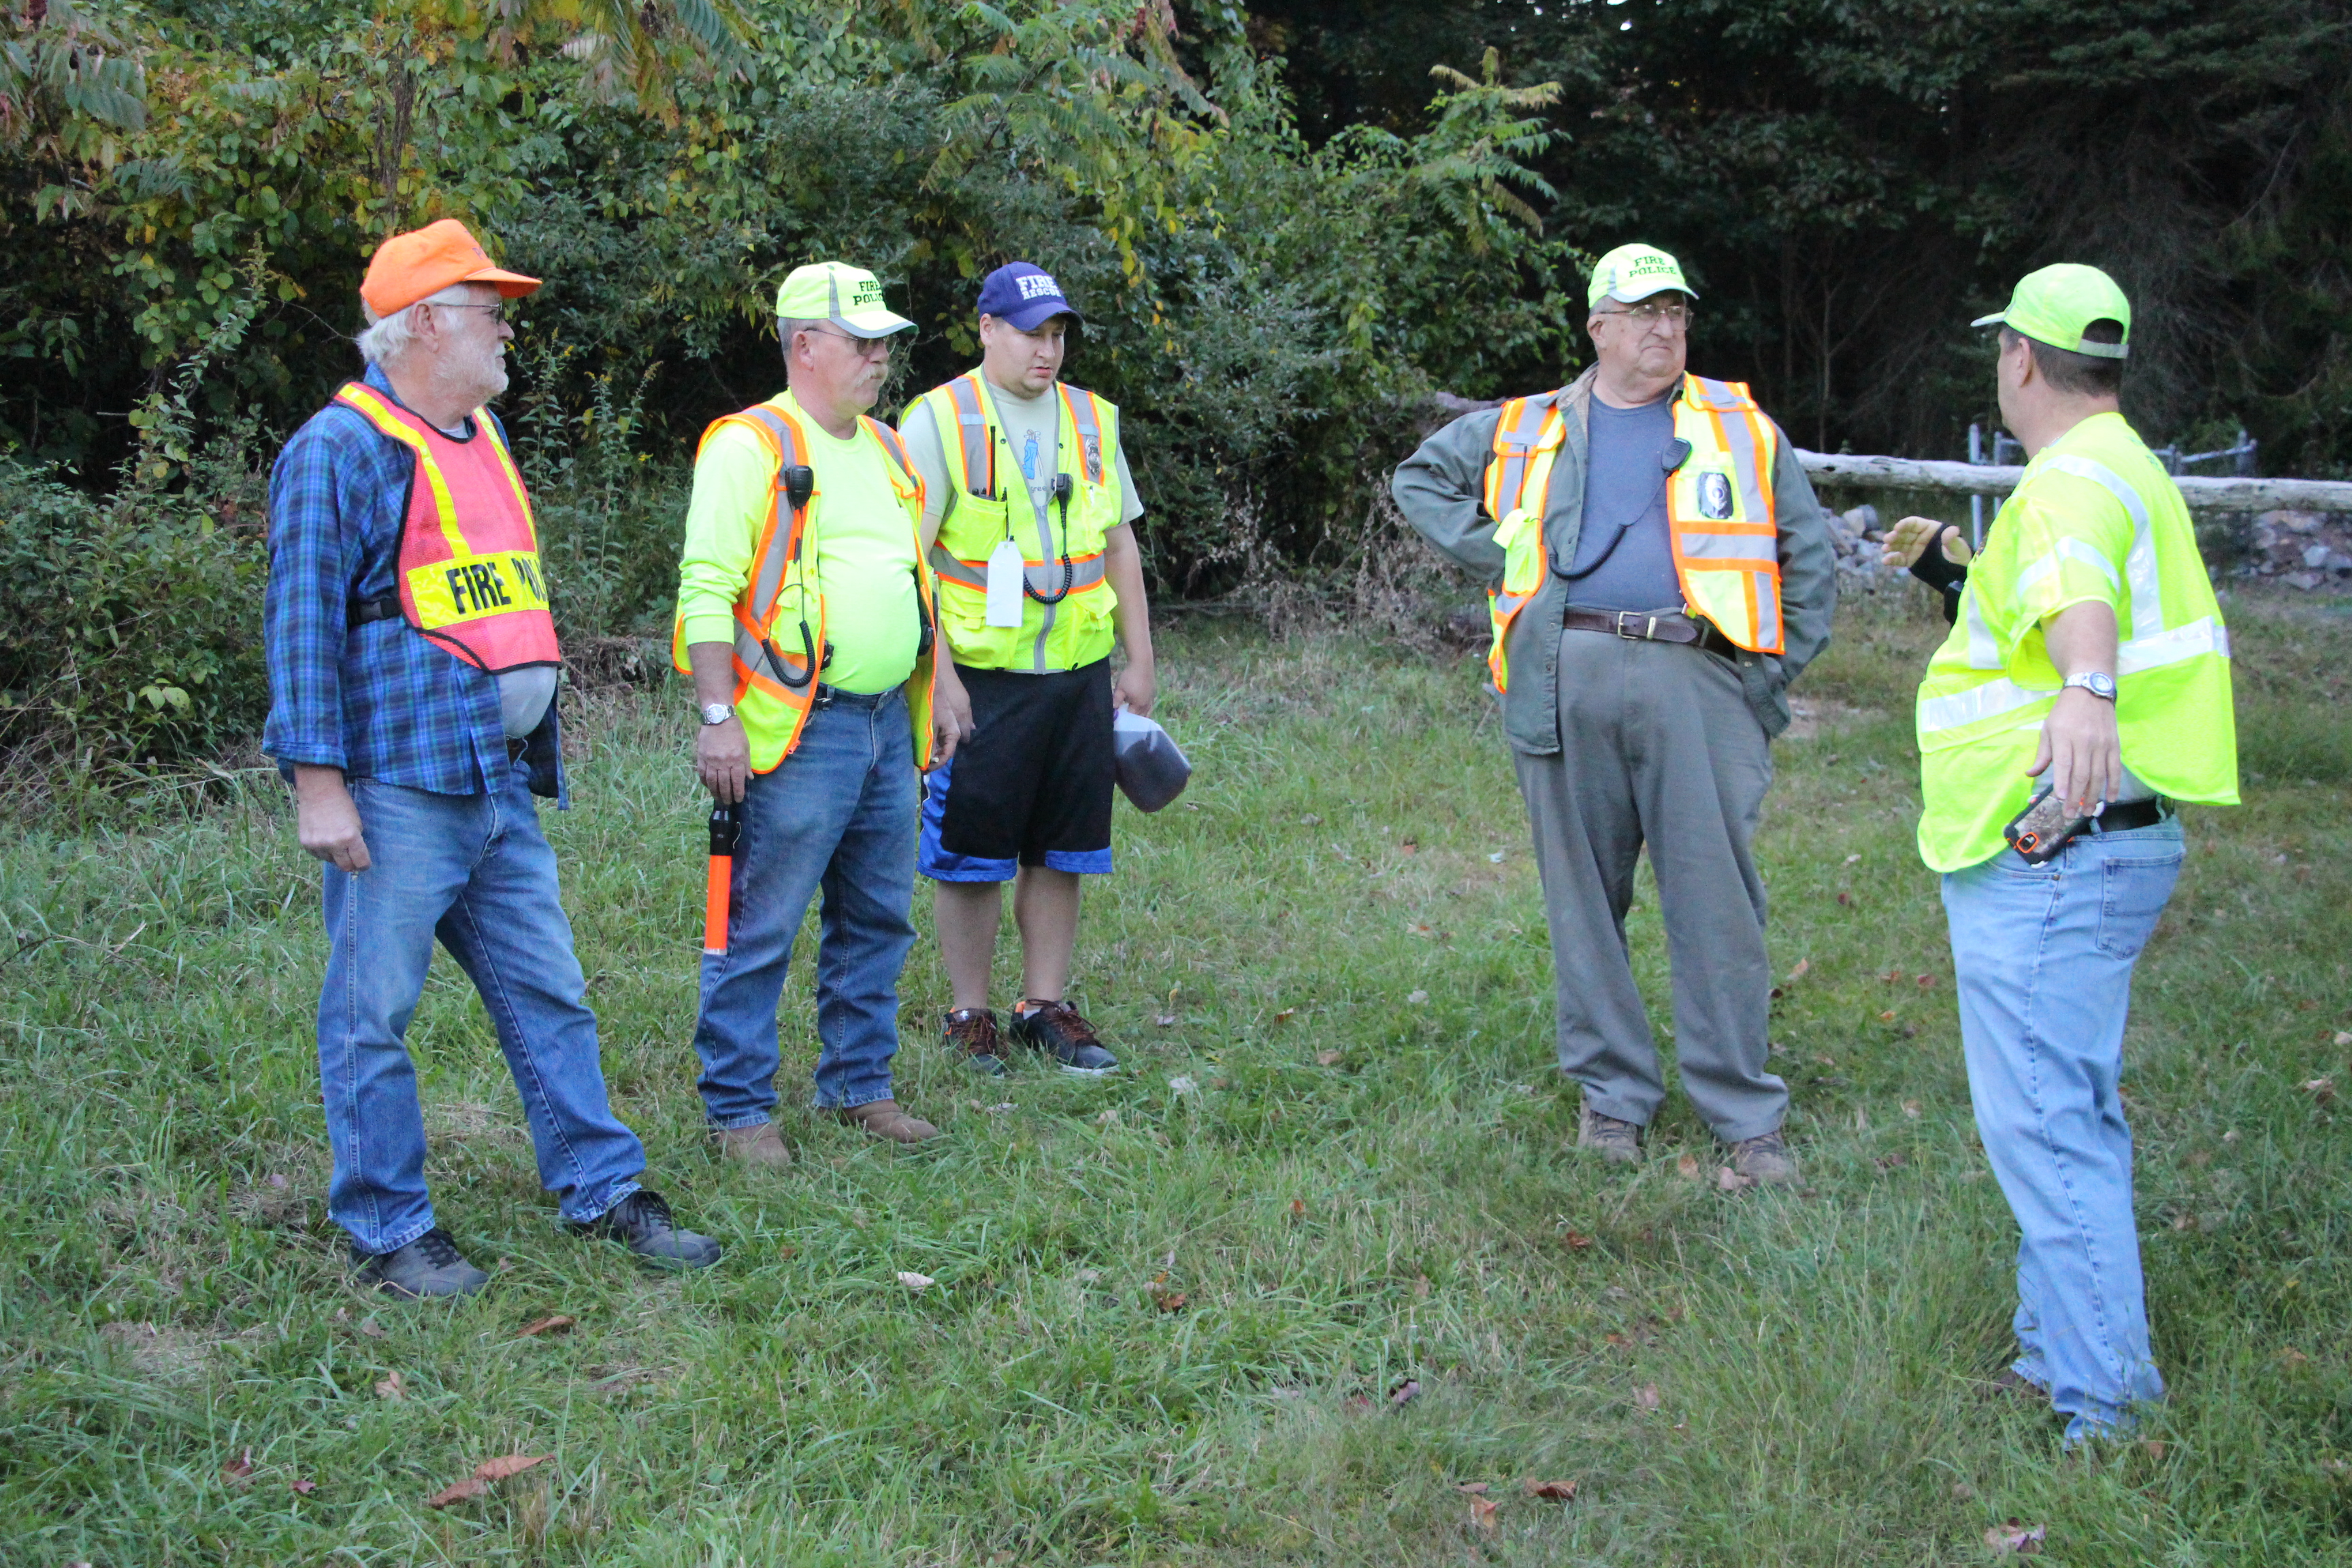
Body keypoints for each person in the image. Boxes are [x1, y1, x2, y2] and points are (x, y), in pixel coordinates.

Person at [263, 220, 721, 1299]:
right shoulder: (338, 449)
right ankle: (388, 1231)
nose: (507, 329)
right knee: (373, 1014)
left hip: (495, 778)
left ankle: (603, 1188)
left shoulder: (482, 436)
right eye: (489, 311)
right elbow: (300, 625)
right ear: (425, 322)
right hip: (397, 787)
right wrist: (319, 785)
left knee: (549, 992)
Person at [1392, 242, 1836, 1183]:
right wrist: (1505, 553)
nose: (1664, 331)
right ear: (1598, 328)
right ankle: (1613, 1099)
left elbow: (1810, 559)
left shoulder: (1739, 425)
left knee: (1718, 904)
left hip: (1700, 683)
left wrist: (1761, 681)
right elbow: (1418, 479)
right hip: (1564, 677)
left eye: (1676, 313)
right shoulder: (1529, 425)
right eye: (1643, 315)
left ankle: (1744, 1114)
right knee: (1585, 904)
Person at [1909, 263, 2237, 1444]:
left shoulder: (2063, 484)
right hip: (2110, 844)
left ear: (2020, 357)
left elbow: (2076, 593)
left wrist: (2086, 687)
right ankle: (2057, 1348)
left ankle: (2105, 1404)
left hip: (2055, 854)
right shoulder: (2126, 463)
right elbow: (2054, 597)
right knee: (2066, 1112)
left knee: (2048, 1128)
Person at [676, 261, 963, 1162]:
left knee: (878, 918)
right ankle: (738, 1110)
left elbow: (916, 580)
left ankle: (858, 1087)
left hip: (885, 724)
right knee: (761, 925)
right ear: (805, 345)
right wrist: (718, 717)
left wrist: (941, 683)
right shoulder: (750, 446)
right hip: (800, 731)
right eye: (863, 341)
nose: (882, 358)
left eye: (886, 343)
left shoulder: (889, 450)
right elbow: (705, 590)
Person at [898, 262, 1156, 1077]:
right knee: (972, 851)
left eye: (1057, 335)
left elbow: (1119, 542)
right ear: (986, 329)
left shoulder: (1091, 418)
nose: (1048, 351)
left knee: (1062, 848)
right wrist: (941, 679)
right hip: (983, 680)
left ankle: (1044, 1007)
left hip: (1078, 675)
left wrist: (1139, 659)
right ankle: (968, 1014)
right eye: (1030, 334)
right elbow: (910, 563)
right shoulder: (939, 420)